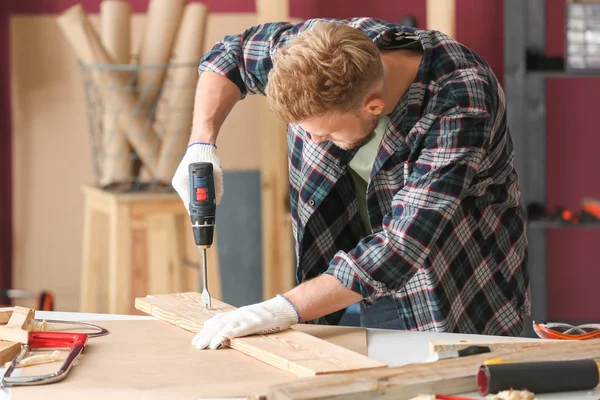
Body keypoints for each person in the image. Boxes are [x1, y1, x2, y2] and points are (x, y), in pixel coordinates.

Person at [171, 17, 530, 351]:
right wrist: (201, 144)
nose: (314, 143)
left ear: (374, 106)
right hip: (360, 271)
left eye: (325, 133)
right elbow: (229, 56)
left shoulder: (460, 102)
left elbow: (400, 248)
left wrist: (278, 309)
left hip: (456, 286)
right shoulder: (318, 52)